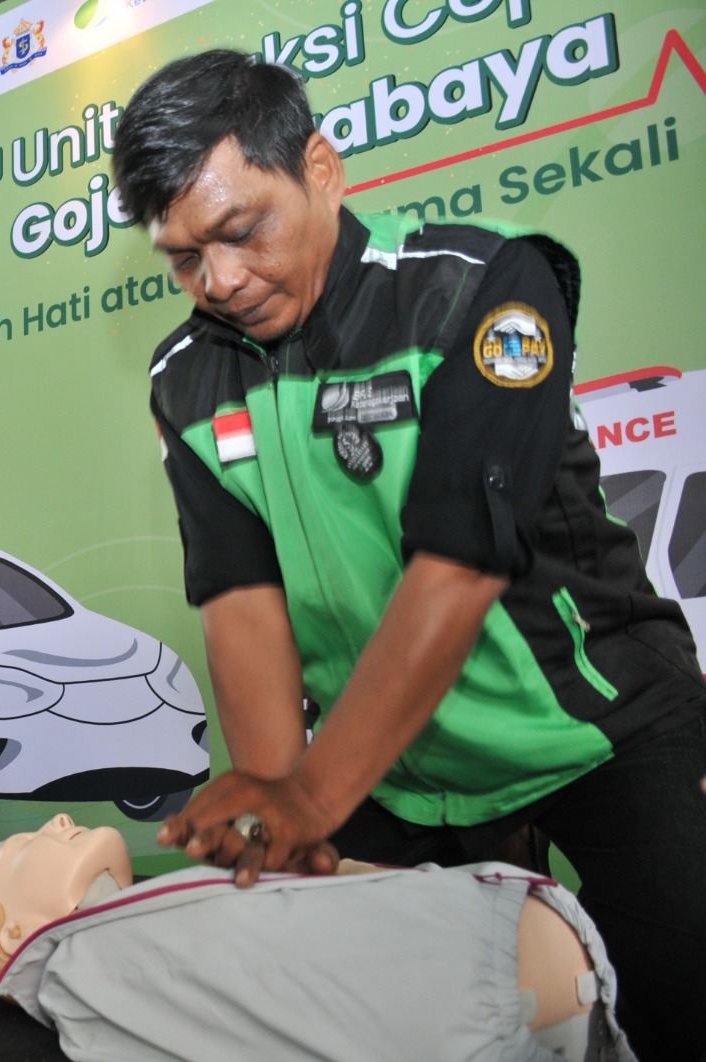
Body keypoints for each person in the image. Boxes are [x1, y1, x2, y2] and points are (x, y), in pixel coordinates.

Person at [110, 49, 705, 1058]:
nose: (218, 281)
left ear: (322, 170)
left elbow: (462, 557)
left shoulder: (486, 286)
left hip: (592, 732)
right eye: (180, 257)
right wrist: (269, 795)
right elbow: (239, 593)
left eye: (240, 231)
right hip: (392, 773)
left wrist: (308, 796)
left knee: (679, 1003)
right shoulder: (183, 379)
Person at [0, 817, 633, 1061]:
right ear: (18, 932)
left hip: (504, 954)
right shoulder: (91, 973)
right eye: (20, 846)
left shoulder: (132, 928)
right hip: (493, 991)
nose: (58, 818)